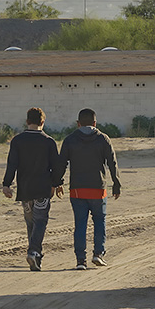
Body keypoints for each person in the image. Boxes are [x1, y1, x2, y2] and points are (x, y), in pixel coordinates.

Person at [2, 107, 66, 271]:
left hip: (25, 189)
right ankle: (34, 252)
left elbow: (12, 164)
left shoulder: (17, 140)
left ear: (27, 121)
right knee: (40, 221)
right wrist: (56, 183)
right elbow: (57, 166)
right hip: (43, 189)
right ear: (43, 122)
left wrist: (6, 184)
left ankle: (35, 255)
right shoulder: (49, 141)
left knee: (30, 222)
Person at [60, 108, 121, 270]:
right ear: (95, 123)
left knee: (80, 224)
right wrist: (116, 183)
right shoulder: (103, 139)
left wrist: (57, 182)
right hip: (98, 189)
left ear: (78, 123)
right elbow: (112, 163)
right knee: (99, 221)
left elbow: (61, 164)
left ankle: (81, 260)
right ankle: (98, 254)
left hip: (77, 190)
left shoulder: (70, 140)